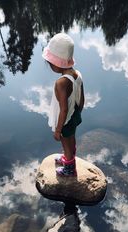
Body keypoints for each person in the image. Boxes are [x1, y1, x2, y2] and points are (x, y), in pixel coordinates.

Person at [42, 33, 84, 177]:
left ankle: (69, 169)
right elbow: (82, 98)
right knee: (72, 139)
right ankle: (68, 158)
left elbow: (64, 109)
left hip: (65, 120)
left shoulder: (61, 83)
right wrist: (78, 114)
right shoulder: (77, 74)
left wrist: (58, 130)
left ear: (56, 63)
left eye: (50, 63)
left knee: (66, 142)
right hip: (75, 115)